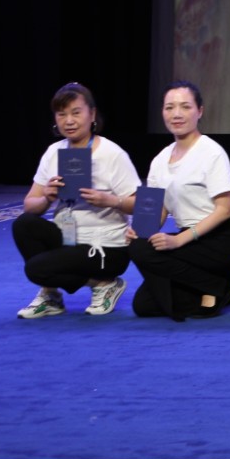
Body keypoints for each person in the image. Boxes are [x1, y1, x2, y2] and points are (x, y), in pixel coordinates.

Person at [13, 82, 139, 318]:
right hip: (68, 239)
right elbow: (29, 205)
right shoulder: (53, 152)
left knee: (36, 269)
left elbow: (139, 204)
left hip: (106, 247)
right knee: (24, 225)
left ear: (92, 114)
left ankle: (107, 283)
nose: (69, 120)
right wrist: (47, 197)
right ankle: (53, 295)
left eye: (76, 112)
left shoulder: (112, 154)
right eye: (62, 114)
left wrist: (110, 200)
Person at [130, 81, 230, 320]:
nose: (176, 114)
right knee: (144, 305)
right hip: (188, 241)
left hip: (219, 239)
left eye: (185, 106)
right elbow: (160, 208)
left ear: (199, 111)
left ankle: (216, 285)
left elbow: (224, 210)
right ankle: (217, 286)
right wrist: (140, 230)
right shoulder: (160, 159)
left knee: (143, 252)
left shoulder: (212, 152)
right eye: (169, 107)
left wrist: (179, 240)